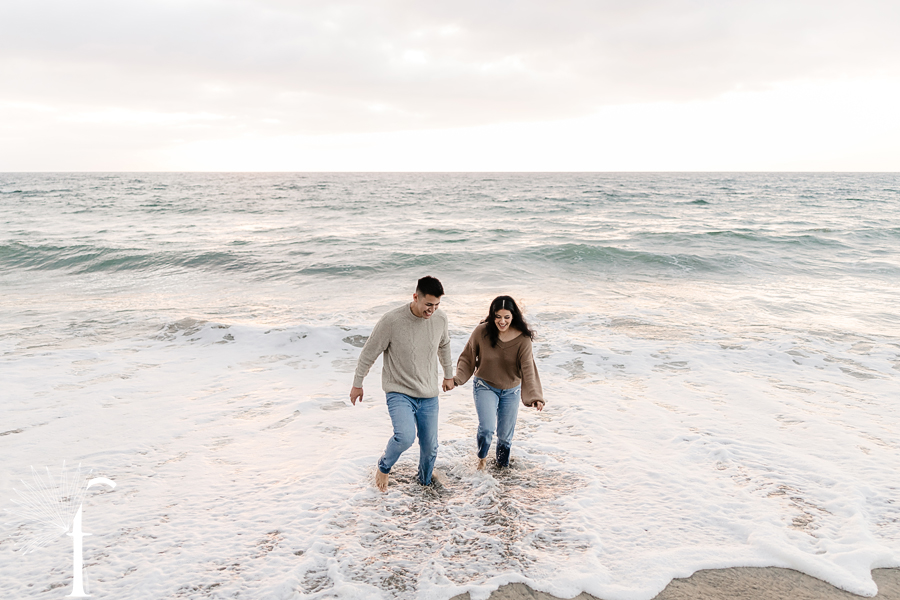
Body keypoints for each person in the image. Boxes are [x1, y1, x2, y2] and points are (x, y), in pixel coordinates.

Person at [350, 276, 455, 491]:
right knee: (405, 437)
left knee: (430, 448)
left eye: (436, 305)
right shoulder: (392, 321)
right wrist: (357, 383)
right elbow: (369, 353)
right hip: (399, 391)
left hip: (428, 393)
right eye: (428, 305)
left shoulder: (440, 319)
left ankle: (424, 487)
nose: (432, 311)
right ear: (415, 297)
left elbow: (444, 345)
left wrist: (448, 374)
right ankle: (384, 466)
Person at [454, 296, 544, 470]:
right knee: (487, 429)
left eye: (506, 317)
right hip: (485, 385)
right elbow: (467, 358)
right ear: (492, 315)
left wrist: (535, 397)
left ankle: (502, 472)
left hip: (511, 390)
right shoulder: (482, 332)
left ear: (513, 317)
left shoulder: (523, 339)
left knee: (505, 437)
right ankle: (482, 458)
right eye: (498, 317)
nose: (502, 321)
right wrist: (457, 379)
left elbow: (528, 369)